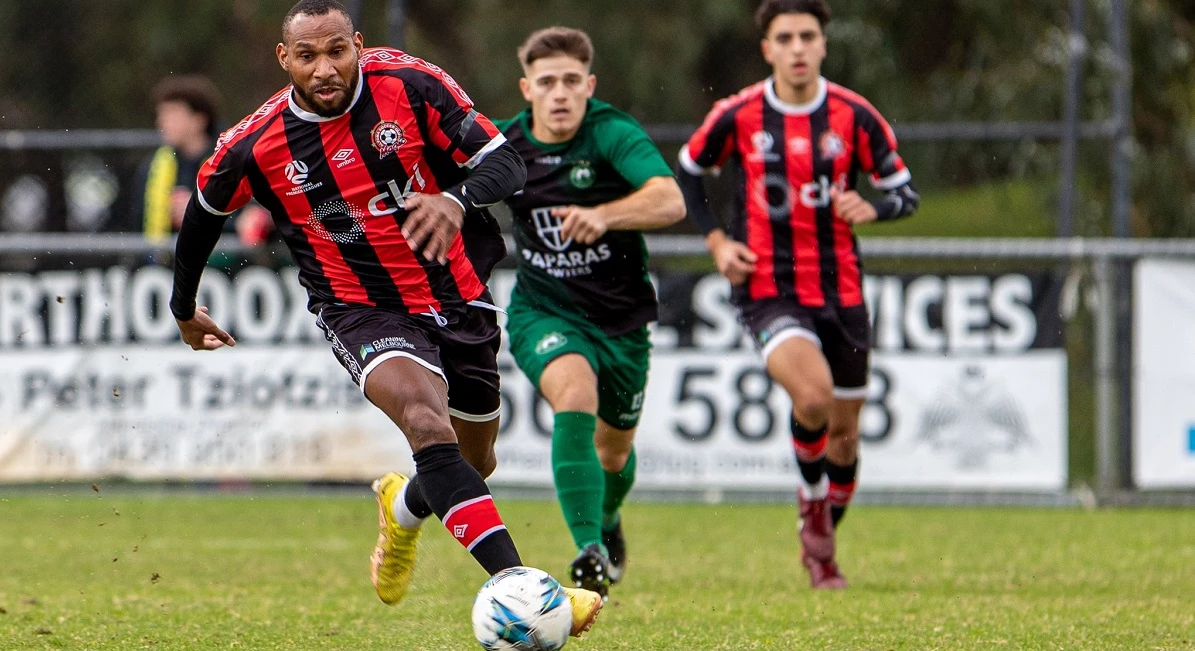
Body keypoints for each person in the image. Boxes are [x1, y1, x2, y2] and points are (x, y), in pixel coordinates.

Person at [167, 0, 602, 636]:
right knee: (426, 422)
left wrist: (456, 199)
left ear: (359, 45)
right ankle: (523, 587)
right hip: (357, 306)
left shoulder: (410, 84)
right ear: (284, 59)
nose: (324, 68)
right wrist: (183, 310)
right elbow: (204, 212)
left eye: (337, 50)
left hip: (456, 293)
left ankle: (403, 507)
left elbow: (506, 162)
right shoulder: (255, 144)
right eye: (307, 56)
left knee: (470, 464)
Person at [676, 0, 919, 589]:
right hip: (767, 287)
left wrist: (875, 206)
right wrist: (716, 241)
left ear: (823, 44)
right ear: (768, 49)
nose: (798, 48)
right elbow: (687, 170)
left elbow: (905, 193)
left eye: (808, 36)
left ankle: (822, 545)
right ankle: (813, 509)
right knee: (812, 399)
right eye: (785, 38)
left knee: (845, 431)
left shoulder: (855, 117)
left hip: (843, 292)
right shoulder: (738, 114)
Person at [494, 27, 686, 600]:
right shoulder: (505, 147)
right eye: (547, 82)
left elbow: (670, 199)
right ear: (527, 88)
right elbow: (450, 185)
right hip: (542, 312)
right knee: (574, 394)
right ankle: (588, 550)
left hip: (622, 320)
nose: (560, 94)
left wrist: (605, 215)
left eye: (571, 82)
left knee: (615, 451)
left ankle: (606, 521)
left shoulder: (611, 133)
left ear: (589, 85)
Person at [122, 75, 271, 245]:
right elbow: (138, 224)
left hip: (227, 265)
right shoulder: (153, 166)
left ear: (199, 120)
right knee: (147, 274)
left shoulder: (236, 162)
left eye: (173, 113)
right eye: (161, 114)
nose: (162, 122)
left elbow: (250, 223)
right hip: (165, 264)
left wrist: (198, 211)